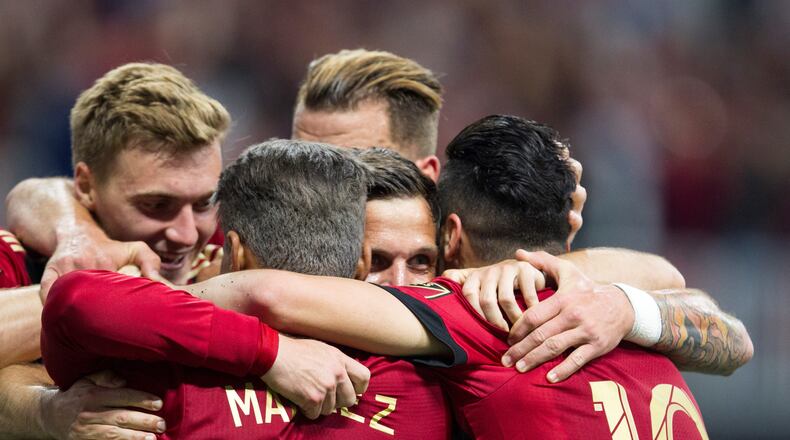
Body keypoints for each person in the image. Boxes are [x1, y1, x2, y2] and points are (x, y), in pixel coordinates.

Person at [180, 116, 720, 438]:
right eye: (375, 262)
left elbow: (264, 292)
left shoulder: (473, 311)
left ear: (450, 239)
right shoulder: (630, 314)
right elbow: (727, 337)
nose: (401, 284)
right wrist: (629, 306)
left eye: (420, 262)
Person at [0, 65, 364, 439]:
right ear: (86, 185)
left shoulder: (232, 253)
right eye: (156, 205)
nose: (186, 233)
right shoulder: (15, 260)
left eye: (205, 202)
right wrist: (46, 412)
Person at [42, 140, 449, 439]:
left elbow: (73, 300)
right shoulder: (432, 379)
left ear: (233, 253)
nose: (400, 283)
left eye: (418, 262)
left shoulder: (153, 378)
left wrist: (266, 350)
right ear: (362, 258)